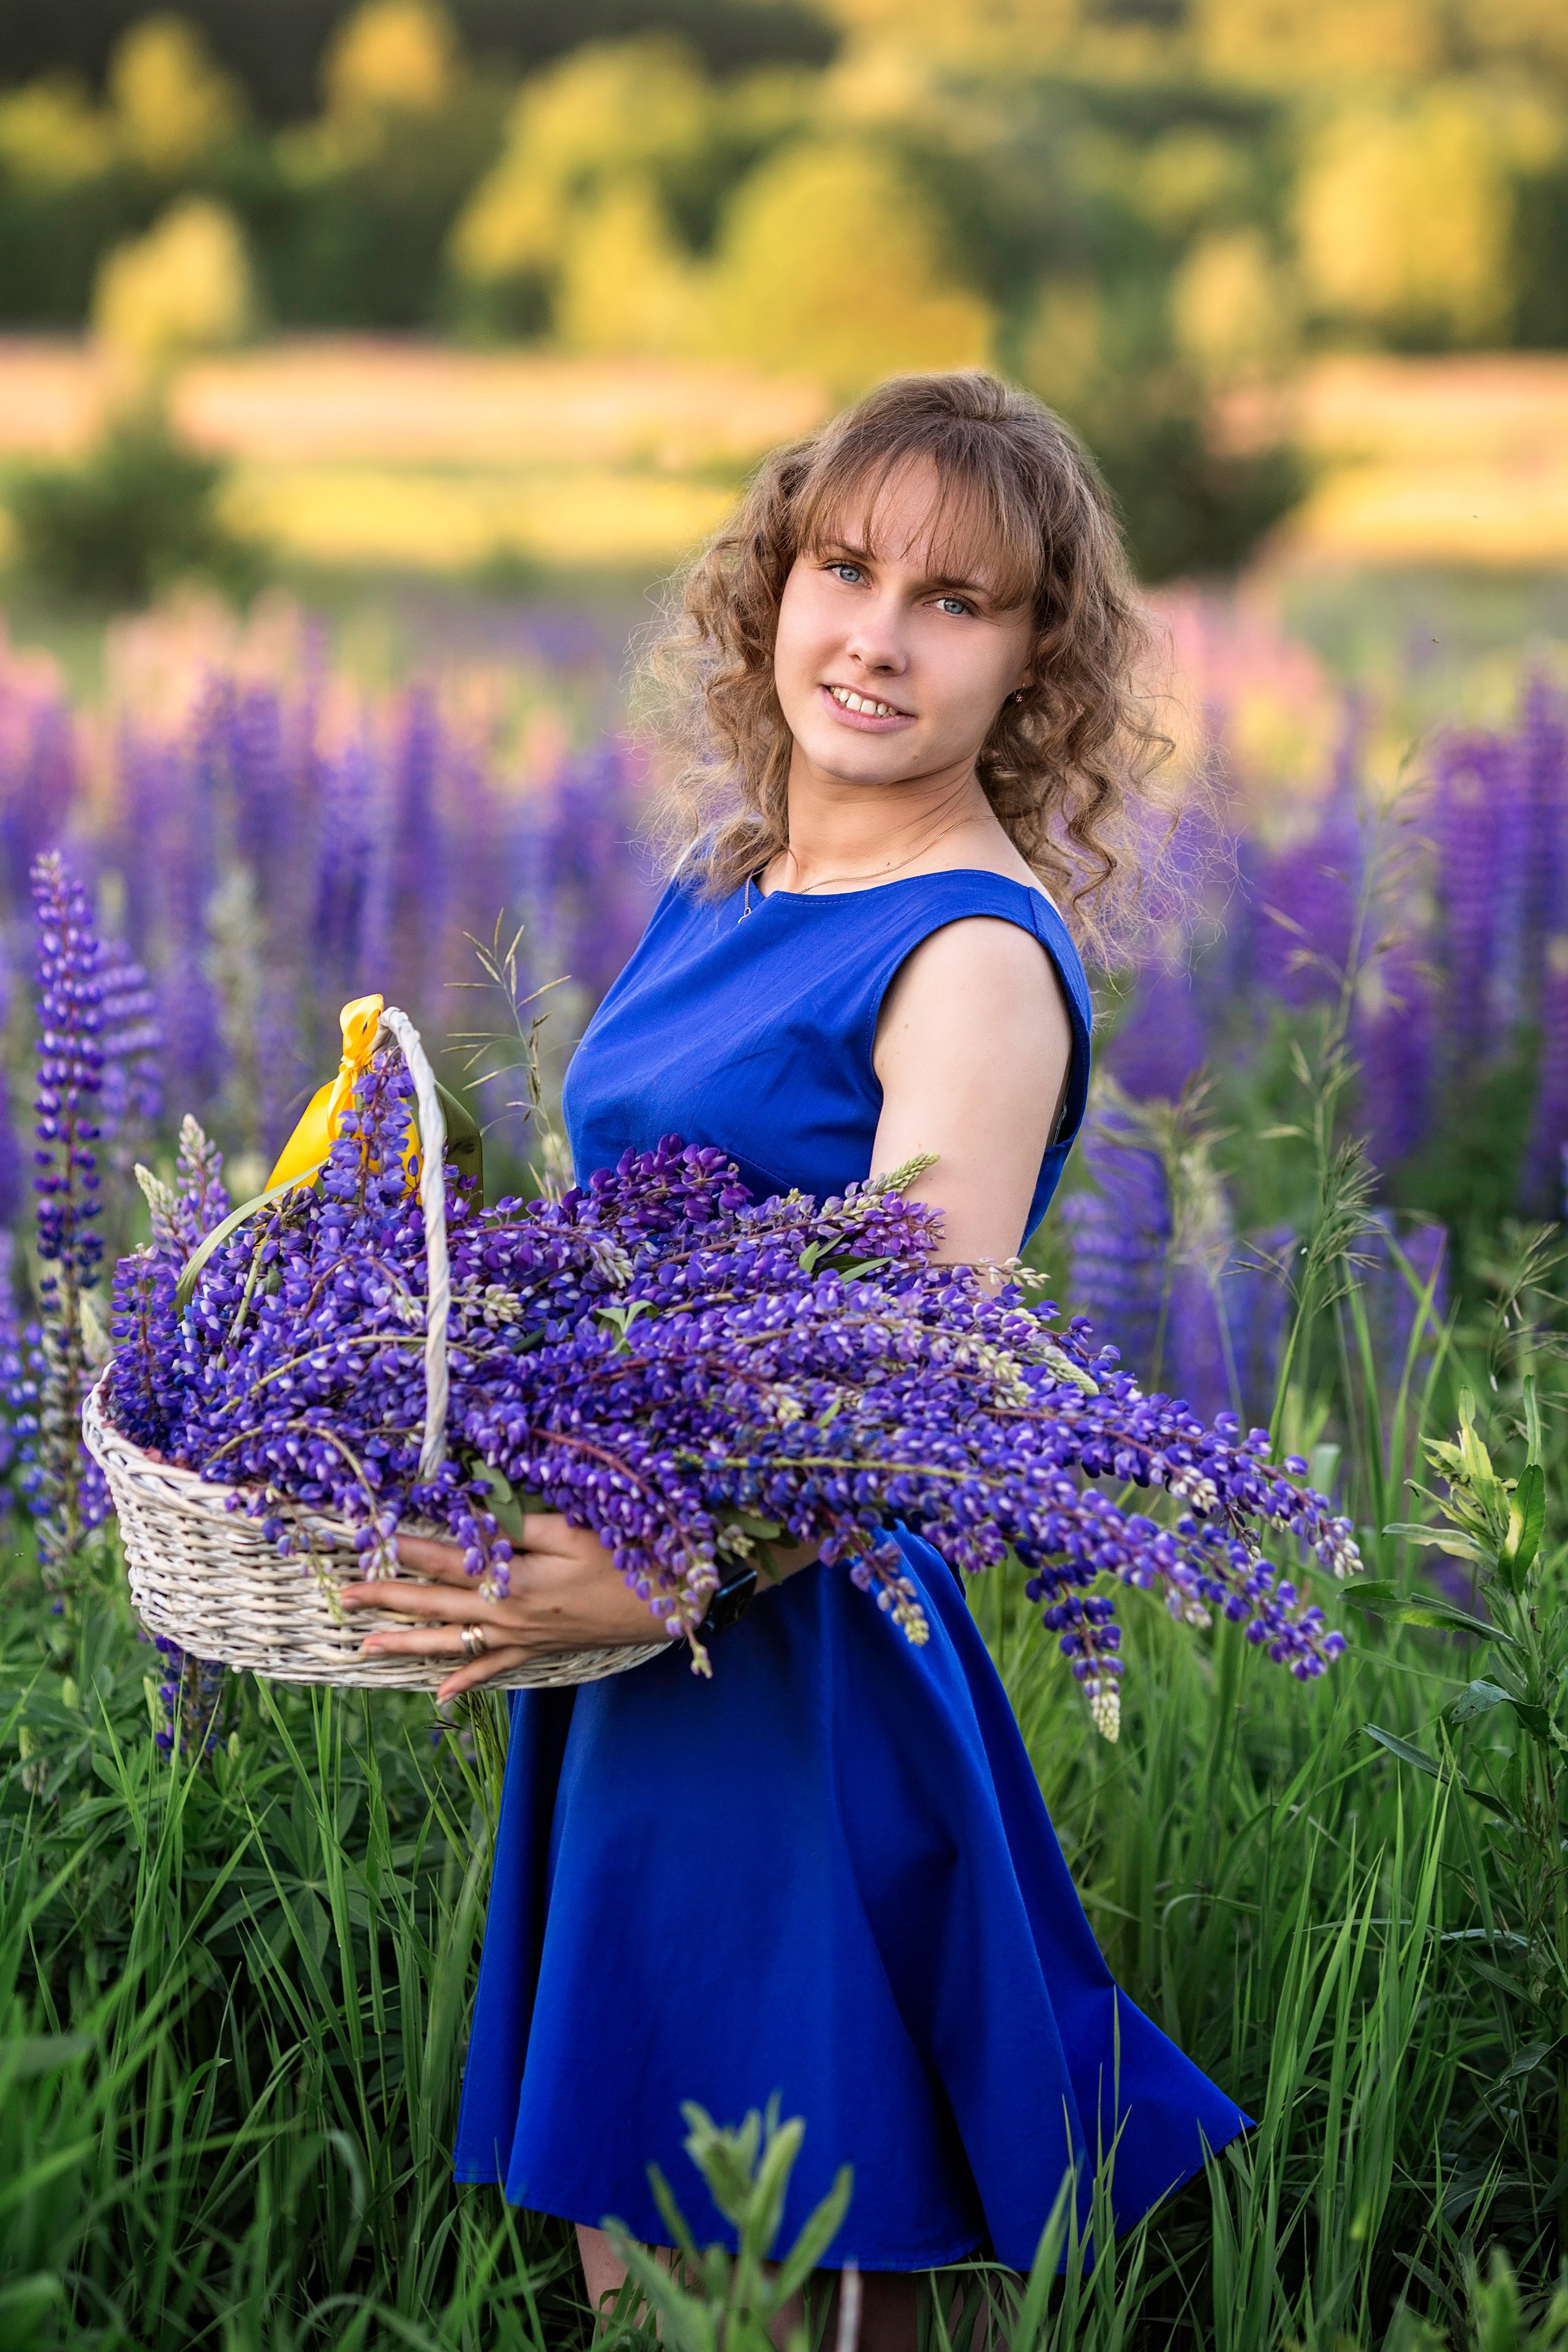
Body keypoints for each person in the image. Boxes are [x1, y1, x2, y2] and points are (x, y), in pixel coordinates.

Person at [339, 371, 1252, 2348]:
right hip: (639, 1649)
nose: (880, 634)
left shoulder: (971, 958)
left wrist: (669, 1563)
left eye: (959, 600)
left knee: (782, 2266)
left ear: (1035, 666)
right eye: (846, 567)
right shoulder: (728, 885)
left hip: (796, 1647)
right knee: (636, 2261)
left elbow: (922, 1371)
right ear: (774, 586)